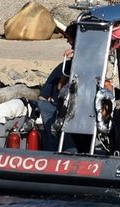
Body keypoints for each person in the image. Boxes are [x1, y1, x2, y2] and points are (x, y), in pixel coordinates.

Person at [38, 22, 76, 150]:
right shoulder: (70, 65)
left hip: (56, 102)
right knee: (54, 137)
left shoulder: (71, 63)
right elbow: (60, 86)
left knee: (56, 136)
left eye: (69, 38)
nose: (67, 41)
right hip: (50, 102)